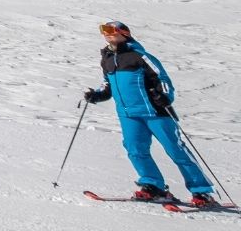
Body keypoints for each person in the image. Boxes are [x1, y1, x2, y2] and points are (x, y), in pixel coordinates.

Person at [84, 21, 216, 206]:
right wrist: (97, 95)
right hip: (129, 114)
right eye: (105, 32)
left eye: (112, 32)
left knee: (175, 150)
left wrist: (165, 96)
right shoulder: (106, 59)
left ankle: (202, 192)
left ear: (124, 34)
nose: (108, 35)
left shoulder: (140, 56)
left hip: (155, 112)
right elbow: (108, 84)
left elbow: (162, 79)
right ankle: (153, 186)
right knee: (135, 150)